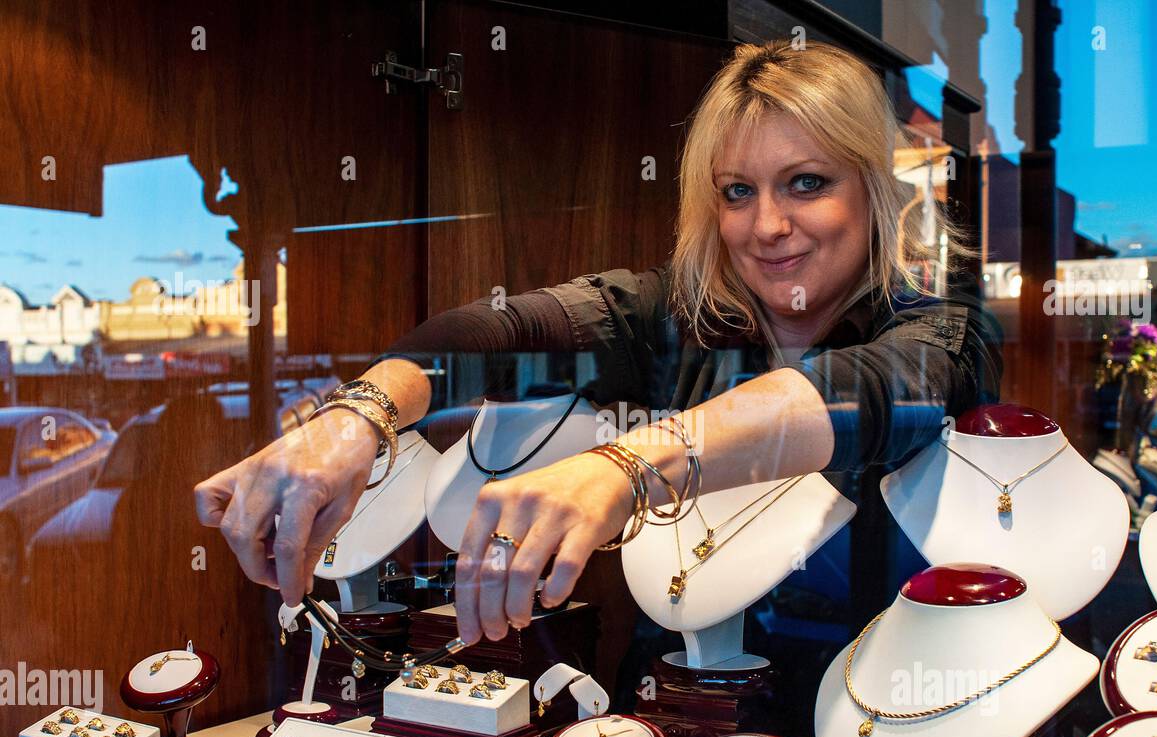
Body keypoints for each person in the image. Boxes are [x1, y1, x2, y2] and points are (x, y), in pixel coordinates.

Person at [195, 40, 1002, 654]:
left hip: (884, 735)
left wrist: (626, 464)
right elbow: (505, 333)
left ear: (871, 189)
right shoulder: (669, 315)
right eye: (737, 192)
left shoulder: (939, 329)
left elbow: (863, 391)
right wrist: (357, 418)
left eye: (807, 182)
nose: (767, 226)